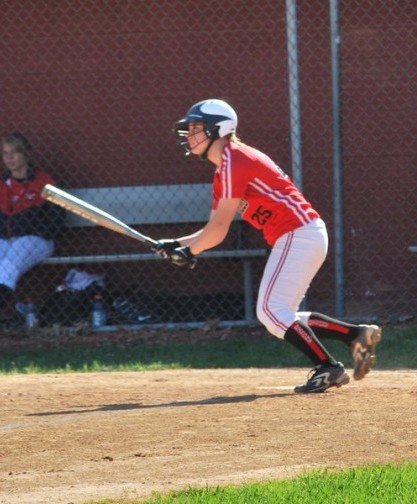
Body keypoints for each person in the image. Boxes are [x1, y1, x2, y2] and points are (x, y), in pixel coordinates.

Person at [152, 99, 382, 394]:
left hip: (297, 234)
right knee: (280, 314)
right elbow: (213, 228)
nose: (189, 134)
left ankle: (329, 368)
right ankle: (355, 335)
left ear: (217, 129)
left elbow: (219, 231)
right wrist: (177, 245)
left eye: (196, 127)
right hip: (301, 235)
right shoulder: (224, 169)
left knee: (271, 312)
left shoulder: (234, 159)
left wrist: (190, 252)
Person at [0, 133, 66, 311]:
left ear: (26, 154)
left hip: (37, 239)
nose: (10, 158)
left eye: (15, 152)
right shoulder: (2, 182)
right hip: (6, 239)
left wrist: (36, 229)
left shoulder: (44, 182)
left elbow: (57, 218)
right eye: (5, 153)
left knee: (8, 266)